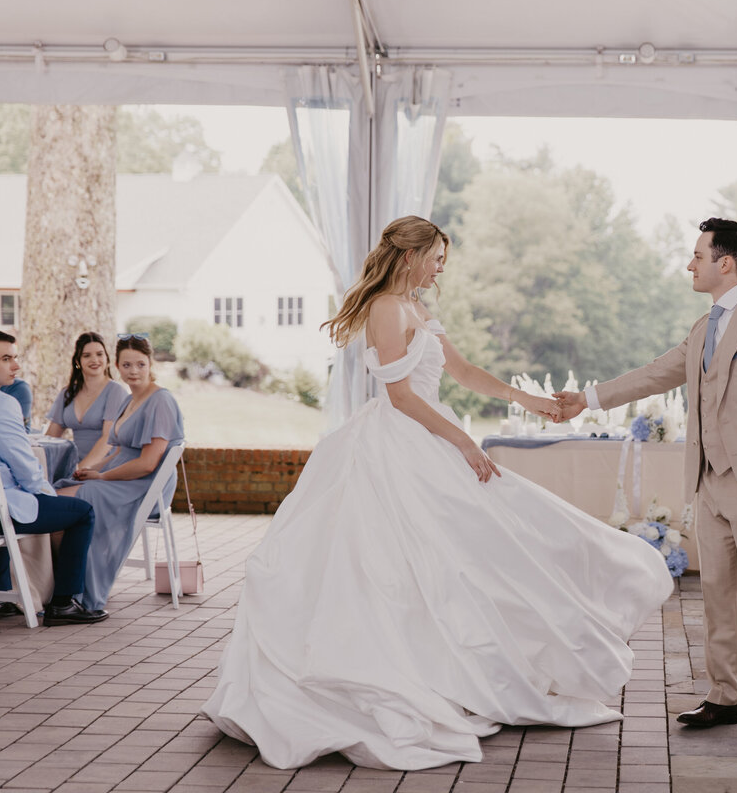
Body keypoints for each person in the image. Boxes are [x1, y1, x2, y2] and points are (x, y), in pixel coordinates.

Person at [201, 215, 672, 771]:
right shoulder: (384, 308)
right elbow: (399, 396)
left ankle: (461, 662)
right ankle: (406, 669)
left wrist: (533, 402)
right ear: (411, 255)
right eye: (437, 256)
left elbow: (467, 372)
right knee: (398, 560)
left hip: (429, 435)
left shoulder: (419, 309)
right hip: (400, 441)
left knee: (472, 548)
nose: (441, 266)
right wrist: (464, 443)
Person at [556, 218, 737, 742]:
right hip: (710, 482)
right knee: (717, 592)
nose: (690, 264)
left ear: (724, 263)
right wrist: (586, 400)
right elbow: (656, 372)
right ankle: (723, 697)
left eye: (697, 255)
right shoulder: (703, 326)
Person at [54, 335, 184, 613]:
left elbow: (148, 463)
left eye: (140, 364)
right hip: (120, 476)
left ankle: (74, 592)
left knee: (59, 507)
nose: (133, 371)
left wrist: (101, 478)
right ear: (117, 365)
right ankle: (62, 590)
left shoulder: (160, 400)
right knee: (56, 494)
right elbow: (117, 452)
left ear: (151, 364)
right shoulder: (130, 399)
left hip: (143, 486)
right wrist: (94, 469)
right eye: (126, 365)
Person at [0, 329, 105, 625]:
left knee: (6, 501)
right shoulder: (1, 405)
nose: (15, 366)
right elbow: (25, 467)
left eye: (15, 358)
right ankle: (65, 602)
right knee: (81, 513)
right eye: (6, 359)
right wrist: (44, 492)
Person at [45, 332, 129, 465]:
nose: (94, 360)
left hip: (106, 467)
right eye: (87, 355)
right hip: (75, 465)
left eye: (99, 354)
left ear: (107, 358)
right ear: (78, 361)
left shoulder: (115, 391)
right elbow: (50, 438)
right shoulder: (67, 393)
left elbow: (108, 438)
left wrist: (81, 469)